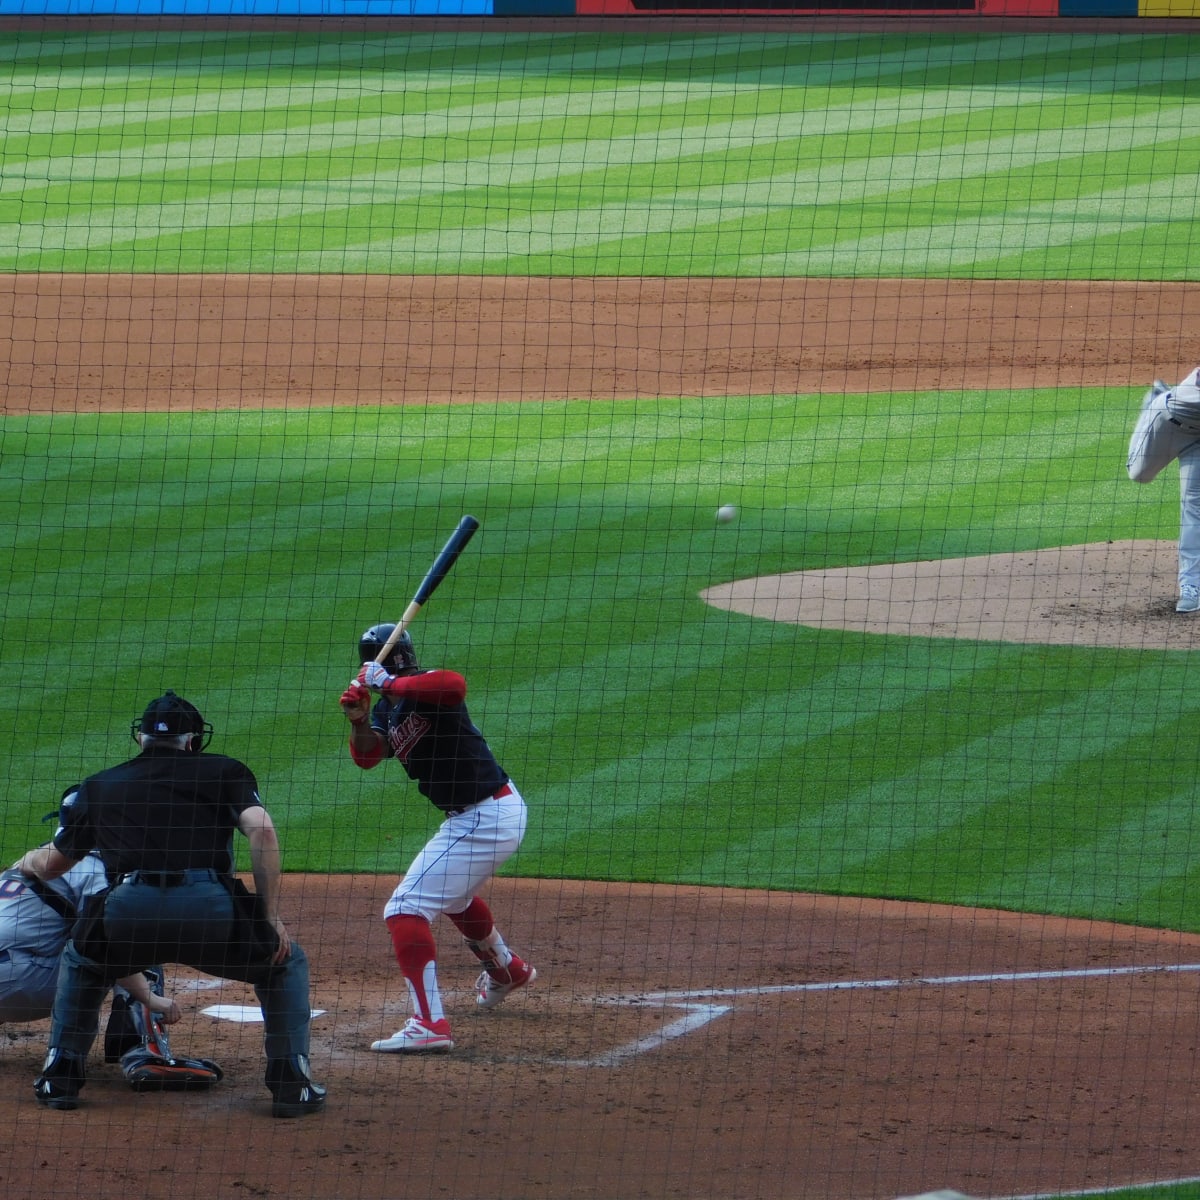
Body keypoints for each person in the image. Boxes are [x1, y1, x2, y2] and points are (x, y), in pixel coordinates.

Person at [16, 691, 324, 1116]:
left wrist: (26, 860)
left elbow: (52, 865)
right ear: (193, 741)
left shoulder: (100, 784)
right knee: (283, 963)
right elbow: (263, 831)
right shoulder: (225, 771)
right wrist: (269, 916)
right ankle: (292, 1083)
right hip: (210, 911)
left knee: (85, 959)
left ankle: (59, 1075)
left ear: (140, 739)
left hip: (129, 912)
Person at [339, 624, 536, 1053]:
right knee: (452, 897)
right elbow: (369, 757)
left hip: (487, 815)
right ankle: (508, 970)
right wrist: (358, 721)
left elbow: (455, 684)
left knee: (404, 907)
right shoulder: (388, 711)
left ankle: (429, 1024)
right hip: (479, 817)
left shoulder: (426, 689)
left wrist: (387, 683)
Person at [1127, 368, 1200, 612]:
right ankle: (1156, 397)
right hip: (1168, 422)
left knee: (1194, 507)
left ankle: (1190, 586)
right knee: (1139, 474)